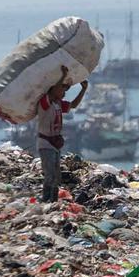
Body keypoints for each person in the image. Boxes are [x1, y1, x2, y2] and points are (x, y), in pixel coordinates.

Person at [36, 65, 87, 203]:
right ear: (54, 89)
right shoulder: (45, 103)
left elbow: (74, 105)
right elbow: (51, 92)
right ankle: (46, 199)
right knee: (50, 175)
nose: (64, 92)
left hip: (56, 143)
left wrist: (83, 90)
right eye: (62, 89)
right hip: (46, 143)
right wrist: (63, 75)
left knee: (56, 175)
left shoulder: (58, 104)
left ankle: (53, 200)